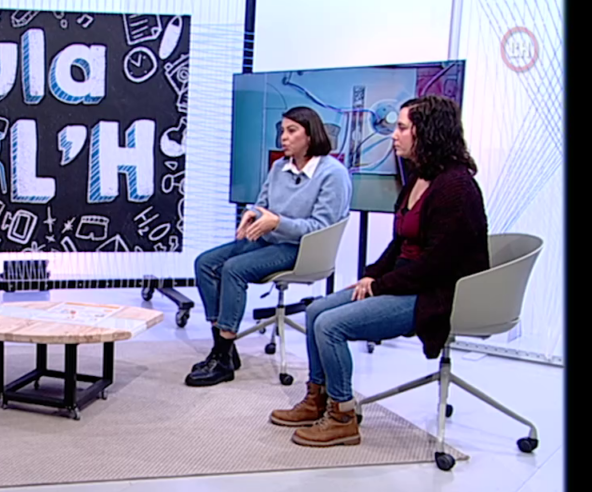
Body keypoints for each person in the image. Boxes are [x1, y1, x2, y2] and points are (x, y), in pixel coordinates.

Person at [270, 95, 489, 447]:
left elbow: (437, 265)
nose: (394, 135)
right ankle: (317, 398)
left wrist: (381, 285)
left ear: (427, 131)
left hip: (435, 293)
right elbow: (400, 243)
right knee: (315, 311)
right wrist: (372, 275)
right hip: (407, 281)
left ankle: (342, 416)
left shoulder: (456, 187)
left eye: (402, 127)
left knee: (331, 325)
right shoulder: (419, 177)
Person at [188, 106, 352, 387]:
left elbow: (321, 228)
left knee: (234, 269)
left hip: (303, 249)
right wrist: (252, 214)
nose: (283, 137)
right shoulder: (279, 167)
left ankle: (222, 358)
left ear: (310, 135)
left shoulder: (332, 174)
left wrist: (277, 223)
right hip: (270, 240)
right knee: (205, 263)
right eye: (282, 130)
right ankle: (224, 347)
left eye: (291, 131)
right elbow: (262, 204)